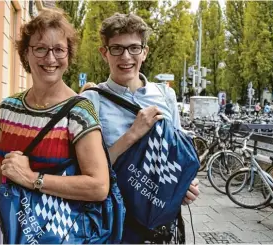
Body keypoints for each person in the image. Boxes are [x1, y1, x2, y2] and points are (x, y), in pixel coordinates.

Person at [0, 9, 110, 244]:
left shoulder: (80, 112)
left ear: (68, 54)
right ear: (26, 53)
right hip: (11, 234)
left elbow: (99, 186)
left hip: (59, 235)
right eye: (41, 48)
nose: (50, 59)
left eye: (59, 50)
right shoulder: (8, 109)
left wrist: (33, 178)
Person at [80, 13, 199, 243]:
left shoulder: (166, 95)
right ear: (104, 52)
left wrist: (187, 185)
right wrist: (132, 134)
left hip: (160, 225)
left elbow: (177, 156)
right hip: (115, 223)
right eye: (116, 48)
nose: (126, 56)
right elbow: (87, 172)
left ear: (145, 51)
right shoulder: (91, 101)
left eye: (134, 48)